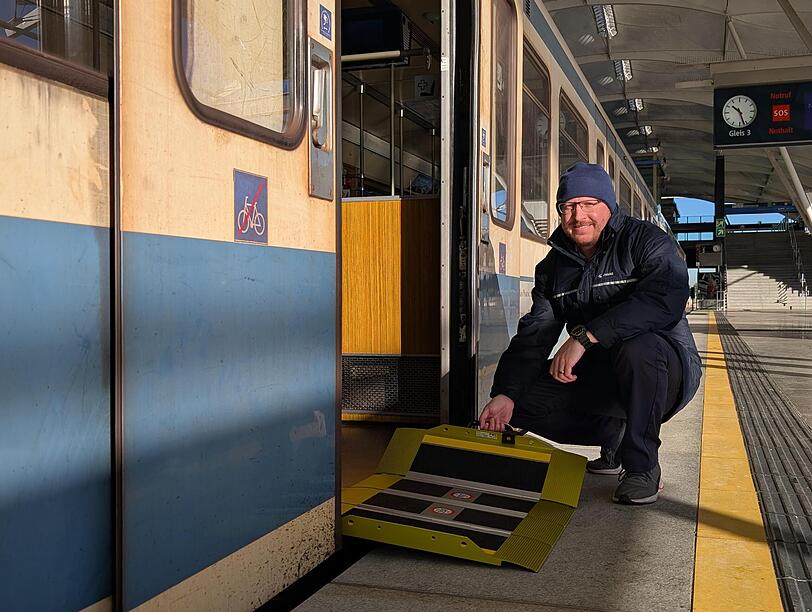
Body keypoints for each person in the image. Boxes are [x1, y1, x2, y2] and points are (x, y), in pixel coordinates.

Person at [478, 162, 701, 505]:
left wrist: (585, 337)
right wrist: (505, 393)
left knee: (638, 348)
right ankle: (613, 434)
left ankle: (641, 466)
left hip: (664, 368)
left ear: (608, 207)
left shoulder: (646, 241)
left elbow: (663, 300)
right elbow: (534, 336)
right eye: (568, 207)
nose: (578, 215)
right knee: (518, 405)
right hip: (600, 372)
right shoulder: (553, 268)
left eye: (588, 204)